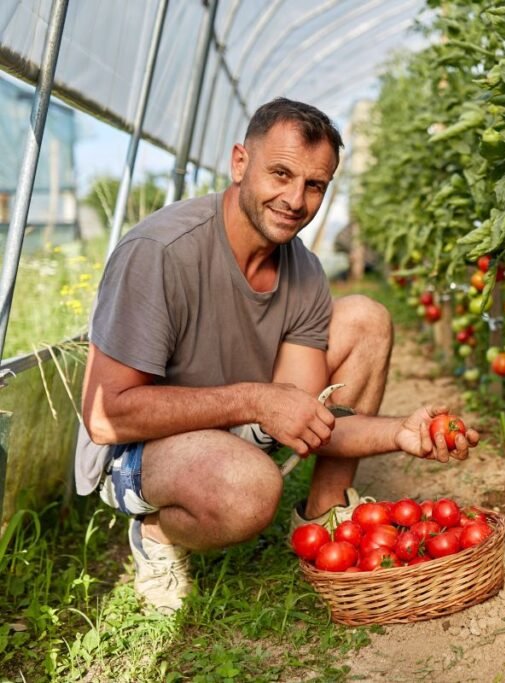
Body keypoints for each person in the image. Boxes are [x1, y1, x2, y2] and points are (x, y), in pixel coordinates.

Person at [75, 97, 479, 613]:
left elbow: (309, 413)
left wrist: (399, 432)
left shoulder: (304, 270)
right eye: (281, 173)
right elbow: (107, 417)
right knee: (249, 490)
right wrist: (257, 399)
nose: (295, 199)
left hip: (231, 427)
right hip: (137, 450)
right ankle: (156, 533)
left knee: (365, 317)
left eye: (315, 185)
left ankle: (325, 516)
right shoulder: (161, 252)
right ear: (240, 163)